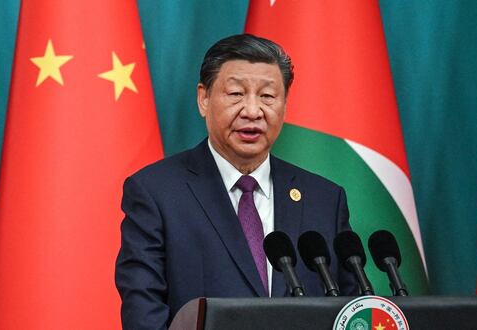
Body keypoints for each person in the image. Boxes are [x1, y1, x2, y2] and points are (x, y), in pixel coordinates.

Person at [115, 34, 358, 329]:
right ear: (204, 99)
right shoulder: (157, 192)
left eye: (267, 96)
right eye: (235, 94)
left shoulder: (324, 199)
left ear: (285, 104)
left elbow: (350, 312)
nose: (253, 111)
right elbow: (144, 315)